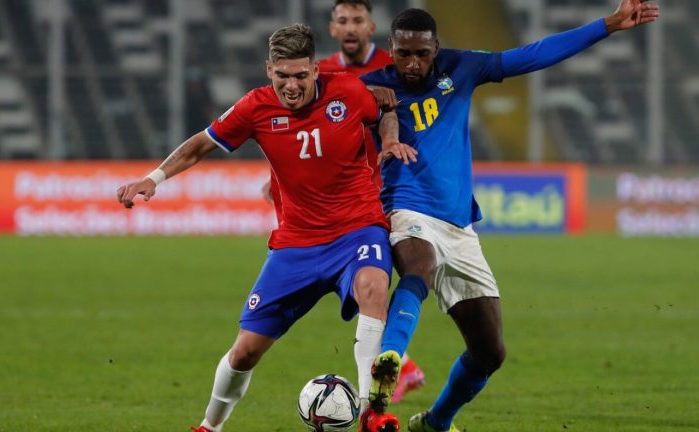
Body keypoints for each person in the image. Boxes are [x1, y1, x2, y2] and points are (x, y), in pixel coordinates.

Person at [360, 2, 660, 431]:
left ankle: (435, 423)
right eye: (403, 53)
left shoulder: (461, 67)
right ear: (391, 49)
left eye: (421, 54)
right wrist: (361, 95)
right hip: (405, 206)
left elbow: (533, 54)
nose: (412, 63)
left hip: (460, 226)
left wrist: (609, 25)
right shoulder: (370, 85)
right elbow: (313, 96)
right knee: (418, 267)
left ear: (436, 48)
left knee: (489, 353)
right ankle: (388, 364)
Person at [117, 23, 408, 432]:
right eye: (282, 76)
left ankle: (370, 414)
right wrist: (154, 178)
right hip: (296, 245)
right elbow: (200, 144)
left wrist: (391, 140)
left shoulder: (349, 91)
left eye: (301, 76)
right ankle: (208, 427)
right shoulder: (255, 107)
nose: (291, 86)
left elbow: (386, 114)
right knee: (244, 353)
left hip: (357, 228)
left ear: (315, 70)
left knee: (373, 288)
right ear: (268, 68)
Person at [262, 0, 427, 404]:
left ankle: (393, 370)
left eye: (358, 19)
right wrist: (276, 181)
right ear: (332, 29)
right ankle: (399, 365)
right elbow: (294, 134)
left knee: (375, 280)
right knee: (360, 285)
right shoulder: (317, 74)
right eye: (342, 20)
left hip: (378, 190)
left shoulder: (397, 64)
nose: (350, 27)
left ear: (372, 27)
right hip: (324, 200)